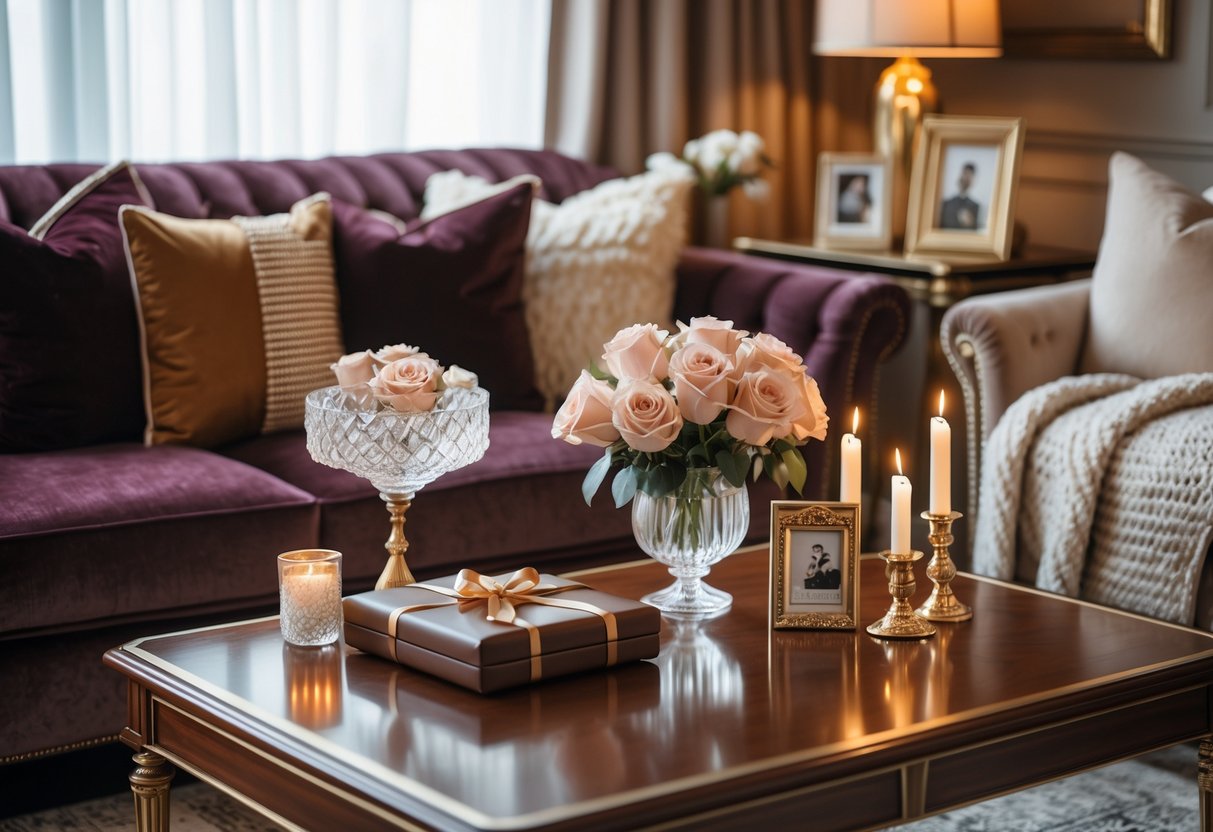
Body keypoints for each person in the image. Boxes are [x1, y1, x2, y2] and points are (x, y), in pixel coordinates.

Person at [939, 162, 981, 230]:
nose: (966, 178)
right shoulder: (946, 203)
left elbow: (975, 230)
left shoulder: (975, 206)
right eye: (965, 174)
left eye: (969, 176)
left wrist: (969, 223)